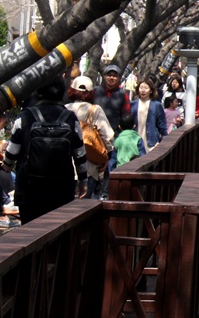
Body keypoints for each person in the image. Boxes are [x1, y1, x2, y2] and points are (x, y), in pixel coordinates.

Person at [2, 76, 87, 224]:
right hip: (61, 188)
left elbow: (12, 151)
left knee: (30, 232)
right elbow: (79, 153)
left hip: (29, 190)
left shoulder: (25, 117)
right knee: (57, 232)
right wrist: (83, 181)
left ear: (38, 91)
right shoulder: (70, 118)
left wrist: (7, 166)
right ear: (63, 92)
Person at [66, 76, 115, 199]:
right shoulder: (95, 110)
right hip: (88, 167)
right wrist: (106, 157)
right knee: (83, 209)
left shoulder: (65, 109)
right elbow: (108, 136)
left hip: (65, 168)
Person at [94, 62, 130, 133]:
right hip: (95, 131)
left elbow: (126, 114)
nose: (111, 78)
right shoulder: (95, 91)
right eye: (109, 75)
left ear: (119, 78)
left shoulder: (123, 94)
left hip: (114, 132)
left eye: (115, 76)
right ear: (104, 76)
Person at [132, 80, 167, 149]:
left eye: (146, 88)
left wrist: (163, 142)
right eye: (141, 87)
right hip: (135, 142)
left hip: (151, 143)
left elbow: (162, 126)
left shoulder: (156, 105)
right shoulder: (133, 104)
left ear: (151, 90)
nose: (143, 90)